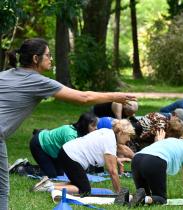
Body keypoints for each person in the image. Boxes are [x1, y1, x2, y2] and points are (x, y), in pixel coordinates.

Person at [0, 38, 136, 210]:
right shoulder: (37, 81)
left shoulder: (6, 75)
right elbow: (83, 98)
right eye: (48, 55)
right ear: (36, 59)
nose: (51, 59)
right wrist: (114, 97)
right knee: (2, 191)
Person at [31, 119, 135, 196]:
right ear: (121, 133)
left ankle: (48, 183)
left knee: (77, 182)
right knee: (84, 190)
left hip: (66, 152)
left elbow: (119, 149)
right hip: (71, 157)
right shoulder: (110, 141)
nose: (129, 139)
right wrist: (119, 194)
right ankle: (48, 187)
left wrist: (132, 156)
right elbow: (113, 172)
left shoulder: (107, 132)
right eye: (129, 136)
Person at [129, 127, 183, 206]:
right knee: (161, 199)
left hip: (136, 159)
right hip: (154, 161)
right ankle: (144, 198)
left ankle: (128, 197)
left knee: (143, 193)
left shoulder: (170, 140)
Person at [29, 112, 98, 178]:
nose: (96, 128)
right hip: (39, 144)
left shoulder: (81, 133)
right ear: (84, 125)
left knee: (60, 174)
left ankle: (44, 166)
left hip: (53, 151)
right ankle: (23, 168)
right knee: (51, 175)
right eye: (93, 125)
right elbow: (72, 157)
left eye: (96, 125)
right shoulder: (71, 135)